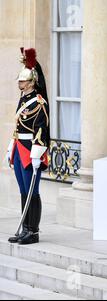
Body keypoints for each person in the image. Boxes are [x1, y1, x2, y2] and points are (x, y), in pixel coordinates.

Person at [6, 48, 50, 245]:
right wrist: (10, 147)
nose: (19, 83)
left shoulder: (39, 102)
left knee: (33, 190)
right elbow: (18, 126)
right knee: (24, 190)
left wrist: (36, 154)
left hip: (31, 150)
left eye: (22, 81)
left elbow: (42, 129)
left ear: (31, 82)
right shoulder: (23, 99)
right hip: (19, 148)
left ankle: (33, 231)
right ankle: (25, 227)